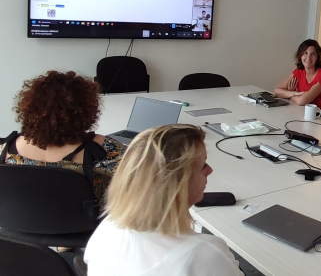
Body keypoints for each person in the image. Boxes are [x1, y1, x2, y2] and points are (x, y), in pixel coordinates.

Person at [84, 124, 244, 276]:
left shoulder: (106, 228)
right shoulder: (203, 253)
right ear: (177, 184)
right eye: (203, 166)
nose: (210, 170)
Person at [0, 70, 126, 205]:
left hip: (20, 218)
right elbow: (141, 173)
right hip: (88, 218)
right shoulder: (102, 150)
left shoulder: (5, 149)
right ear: (85, 111)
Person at [274, 39, 321, 113]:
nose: (308, 57)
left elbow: (302, 101)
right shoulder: (299, 71)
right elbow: (277, 91)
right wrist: (294, 93)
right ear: (300, 55)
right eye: (305, 53)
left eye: (313, 54)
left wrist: (288, 95)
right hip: (305, 113)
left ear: (317, 57)